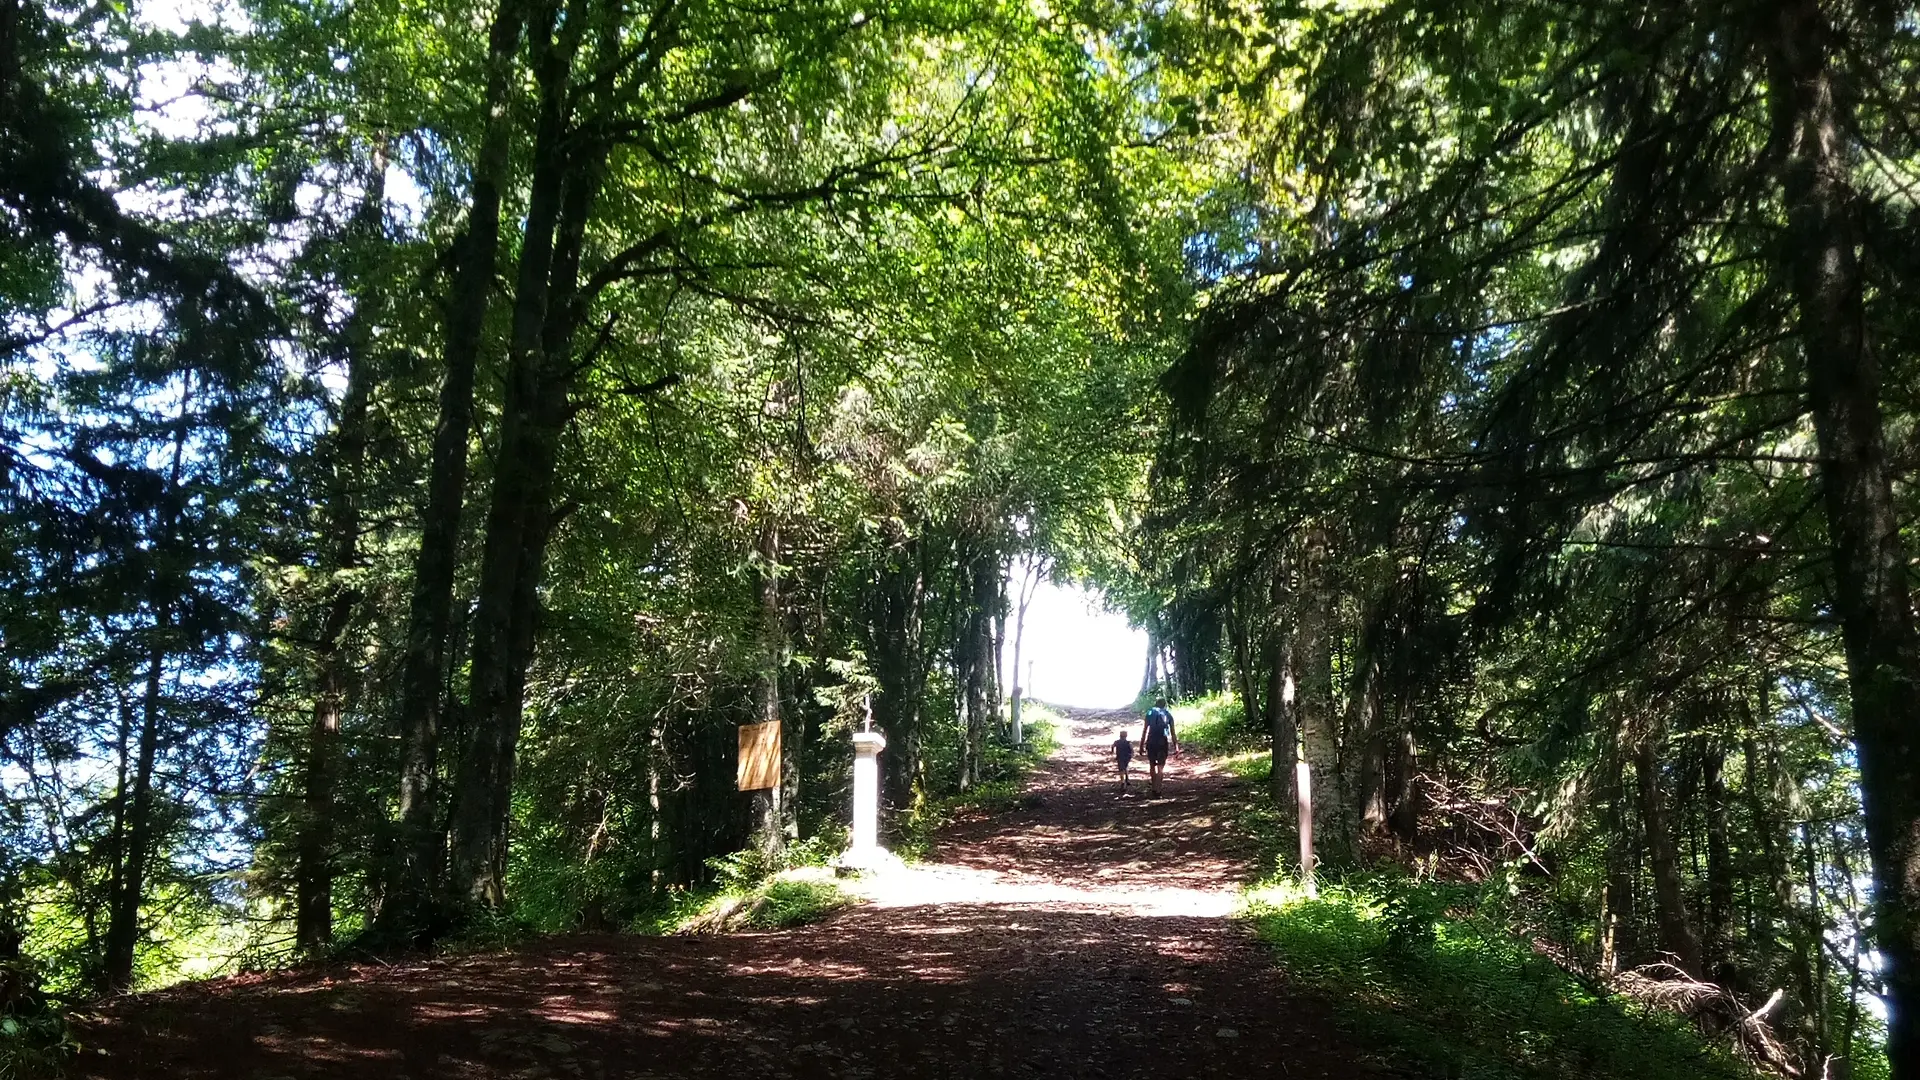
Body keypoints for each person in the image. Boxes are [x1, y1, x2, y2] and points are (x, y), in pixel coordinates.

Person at [1140, 697, 1177, 796]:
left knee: (1152, 765)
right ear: (1165, 705)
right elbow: (1173, 733)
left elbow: (1145, 730)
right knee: (1161, 767)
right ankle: (1158, 789)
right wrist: (1176, 747)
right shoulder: (1168, 715)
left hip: (1151, 740)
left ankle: (1153, 787)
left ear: (1156, 704)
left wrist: (1141, 745)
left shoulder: (1150, 713)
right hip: (1162, 741)